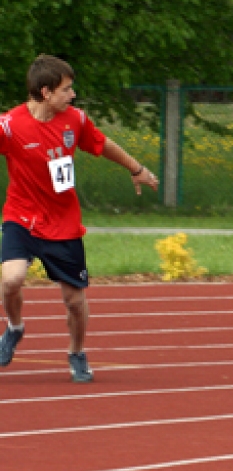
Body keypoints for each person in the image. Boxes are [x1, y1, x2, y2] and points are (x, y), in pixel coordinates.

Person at [0, 55, 160, 382]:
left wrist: (137, 169)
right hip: (22, 217)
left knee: (73, 300)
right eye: (66, 89)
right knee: (11, 279)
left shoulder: (75, 121)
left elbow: (105, 145)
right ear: (45, 92)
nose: (72, 95)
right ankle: (14, 328)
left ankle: (77, 352)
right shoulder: (10, 125)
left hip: (63, 223)